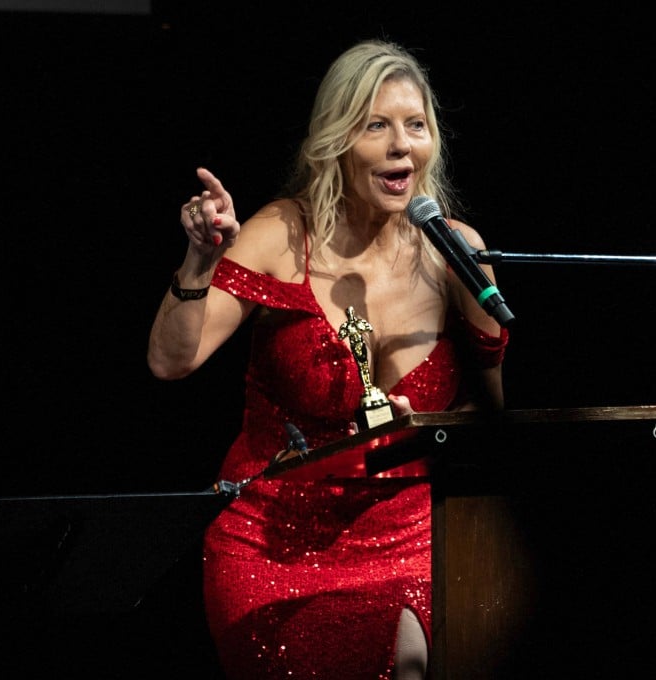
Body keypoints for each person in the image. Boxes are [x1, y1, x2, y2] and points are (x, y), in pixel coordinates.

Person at [147, 39, 509, 680]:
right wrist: (199, 260)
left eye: (416, 126)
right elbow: (171, 362)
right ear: (337, 139)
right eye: (377, 125)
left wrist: (425, 434)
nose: (402, 145)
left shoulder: (456, 253)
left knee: (422, 654)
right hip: (277, 543)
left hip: (413, 538)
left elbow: (495, 419)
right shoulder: (281, 235)